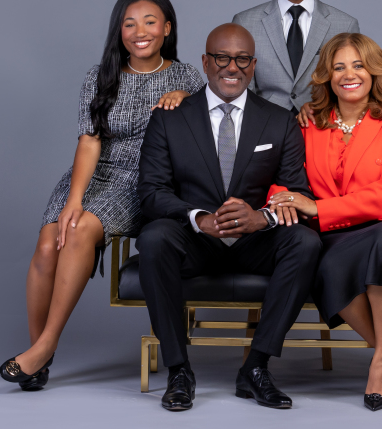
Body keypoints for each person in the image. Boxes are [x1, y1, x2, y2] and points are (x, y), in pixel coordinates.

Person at [0, 0, 204, 390]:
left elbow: (204, 130)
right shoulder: (100, 76)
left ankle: (47, 346)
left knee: (78, 230)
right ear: (119, 31)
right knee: (47, 242)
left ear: (166, 28)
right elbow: (90, 141)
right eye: (129, 23)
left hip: (141, 179)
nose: (139, 31)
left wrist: (187, 101)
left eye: (149, 22)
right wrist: (73, 199)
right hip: (92, 173)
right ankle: (36, 354)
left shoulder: (186, 77)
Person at [135, 23, 322, 411]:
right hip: (197, 240)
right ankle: (179, 371)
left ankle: (255, 367)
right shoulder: (169, 118)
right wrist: (199, 217)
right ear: (206, 62)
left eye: (241, 59)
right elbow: (151, 193)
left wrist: (263, 218)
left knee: (304, 242)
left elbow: (297, 191)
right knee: (153, 239)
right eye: (222, 58)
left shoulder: (278, 120)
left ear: (253, 66)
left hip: (254, 240)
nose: (231, 67)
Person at [269, 33, 382, 411]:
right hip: (337, 237)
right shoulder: (309, 124)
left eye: (358, 65)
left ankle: (378, 363)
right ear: (327, 75)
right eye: (338, 66)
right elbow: (284, 175)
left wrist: (320, 209)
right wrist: (282, 196)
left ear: (374, 72)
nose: (349, 74)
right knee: (326, 264)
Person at [232, 0, 359, 113]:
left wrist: (323, 110)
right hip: (264, 127)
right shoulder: (245, 22)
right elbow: (242, 87)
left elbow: (352, 86)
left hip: (322, 126)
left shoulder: (345, 25)